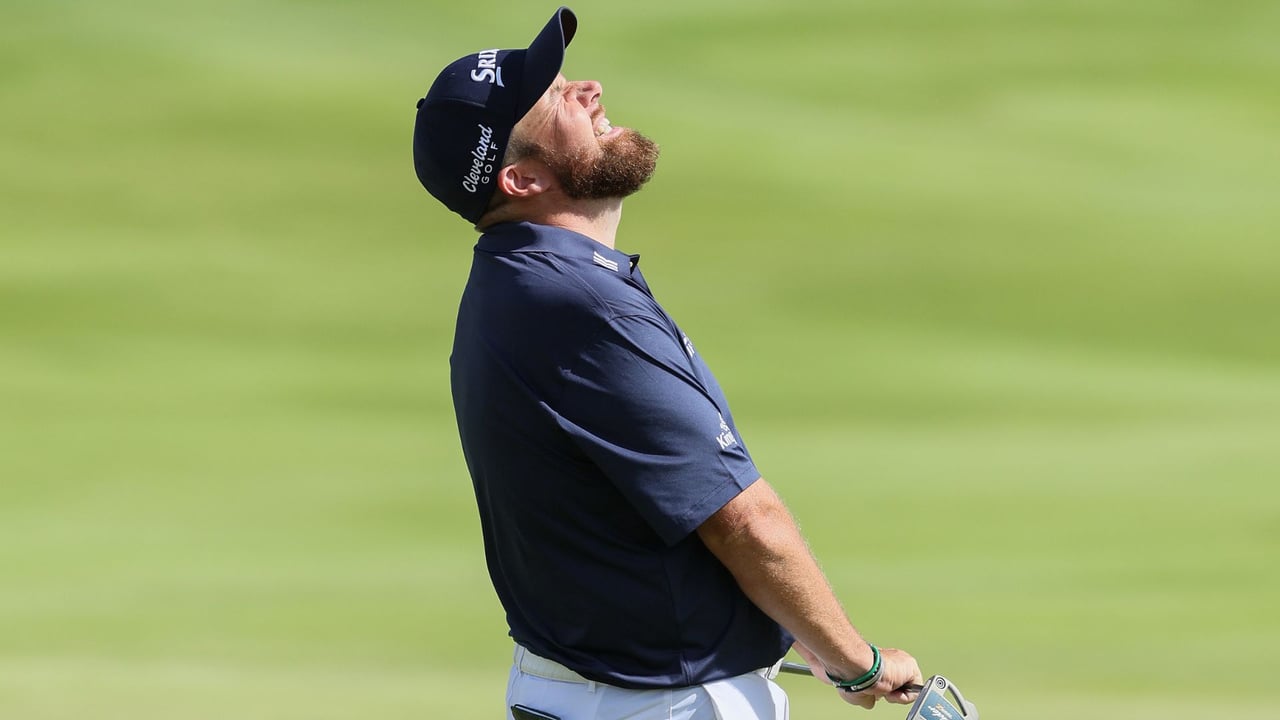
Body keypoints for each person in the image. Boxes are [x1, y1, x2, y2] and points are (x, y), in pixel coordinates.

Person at [412, 7, 923, 719]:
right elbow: (744, 523)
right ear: (523, 179)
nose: (588, 88)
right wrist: (853, 661)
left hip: (590, 691)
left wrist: (795, 634)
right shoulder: (577, 302)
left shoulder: (517, 281)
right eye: (556, 97)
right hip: (661, 703)